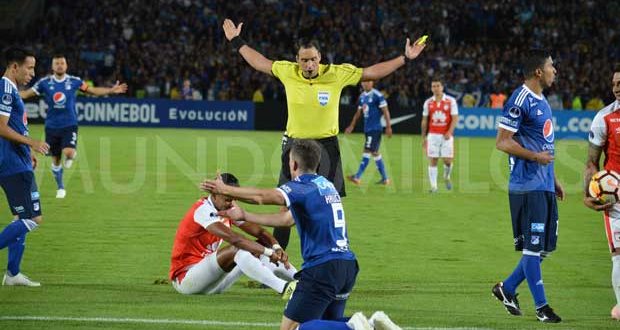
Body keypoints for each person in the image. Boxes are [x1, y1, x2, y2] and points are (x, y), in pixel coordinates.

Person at [222, 18, 426, 251]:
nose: (309, 64)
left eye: (313, 59)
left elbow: (371, 72)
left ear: (320, 58)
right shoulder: (287, 71)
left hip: (326, 147)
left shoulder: (338, 74)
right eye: (304, 60)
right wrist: (236, 42)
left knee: (328, 204)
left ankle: (329, 256)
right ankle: (277, 262)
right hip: (295, 147)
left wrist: (404, 58)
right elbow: (260, 62)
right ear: (297, 60)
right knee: (285, 207)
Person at [202, 140, 402, 330]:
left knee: (292, 328)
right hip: (346, 266)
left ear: (294, 163)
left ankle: (353, 326)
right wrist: (245, 215)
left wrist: (225, 189)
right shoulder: (326, 185)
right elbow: (287, 220)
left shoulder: (301, 186)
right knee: (325, 324)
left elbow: (263, 197)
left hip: (322, 269)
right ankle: (372, 324)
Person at [492, 49, 564, 323]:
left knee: (544, 248)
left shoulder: (542, 100)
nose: (554, 70)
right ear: (538, 71)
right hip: (526, 185)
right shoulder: (519, 99)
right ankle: (542, 308)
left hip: (543, 184)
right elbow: (502, 141)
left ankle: (507, 288)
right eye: (550, 66)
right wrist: (536, 158)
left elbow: (544, 144)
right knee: (533, 249)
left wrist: (554, 178)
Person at [169, 172, 298, 296]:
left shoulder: (228, 208)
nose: (231, 203)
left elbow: (260, 232)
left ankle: (301, 280)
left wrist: (276, 247)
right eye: (227, 199)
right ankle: (284, 288)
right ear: (214, 195)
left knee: (262, 245)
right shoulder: (202, 210)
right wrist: (269, 253)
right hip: (187, 280)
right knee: (240, 248)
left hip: (214, 280)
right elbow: (235, 239)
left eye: (233, 198)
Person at [20, 53, 127, 198]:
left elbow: (92, 91)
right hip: (51, 127)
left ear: (66, 66)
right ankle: (60, 187)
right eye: (57, 63)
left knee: (68, 152)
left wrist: (111, 90)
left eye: (62, 63)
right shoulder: (44, 83)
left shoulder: (75, 81)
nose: (59, 65)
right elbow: (26, 94)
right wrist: (8, 91)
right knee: (56, 160)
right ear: (52, 66)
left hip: (69, 124)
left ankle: (71, 156)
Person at [0, 47, 50, 286]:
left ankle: (12, 274)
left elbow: (15, 127)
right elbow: (1, 127)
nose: (32, 73)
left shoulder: (11, 90)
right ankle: (12, 273)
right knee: (33, 218)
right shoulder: (6, 89)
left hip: (17, 160)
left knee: (21, 216)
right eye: (29, 67)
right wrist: (33, 143)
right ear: (15, 66)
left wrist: (27, 150)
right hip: (11, 164)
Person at [583, 64, 620, 320]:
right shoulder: (604, 117)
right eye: (615, 83)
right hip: (615, 195)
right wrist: (588, 193)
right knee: (619, 254)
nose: (617, 87)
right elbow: (591, 162)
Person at [344, 80, 392, 185]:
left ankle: (357, 177)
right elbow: (358, 113)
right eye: (364, 82)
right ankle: (385, 179)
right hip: (368, 129)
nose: (366, 83)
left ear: (372, 83)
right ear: (361, 84)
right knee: (375, 153)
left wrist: (388, 126)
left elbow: (385, 111)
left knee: (367, 151)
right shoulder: (362, 97)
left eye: (368, 81)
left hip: (375, 129)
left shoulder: (377, 95)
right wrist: (352, 126)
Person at [420, 78, 459, 192]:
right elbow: (424, 120)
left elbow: (455, 118)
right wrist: (424, 137)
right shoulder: (428, 102)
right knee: (433, 160)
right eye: (433, 86)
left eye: (438, 86)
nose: (436, 88)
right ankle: (434, 187)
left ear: (442, 87)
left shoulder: (450, 101)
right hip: (432, 135)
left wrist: (449, 132)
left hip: (446, 135)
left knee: (447, 161)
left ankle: (446, 176)